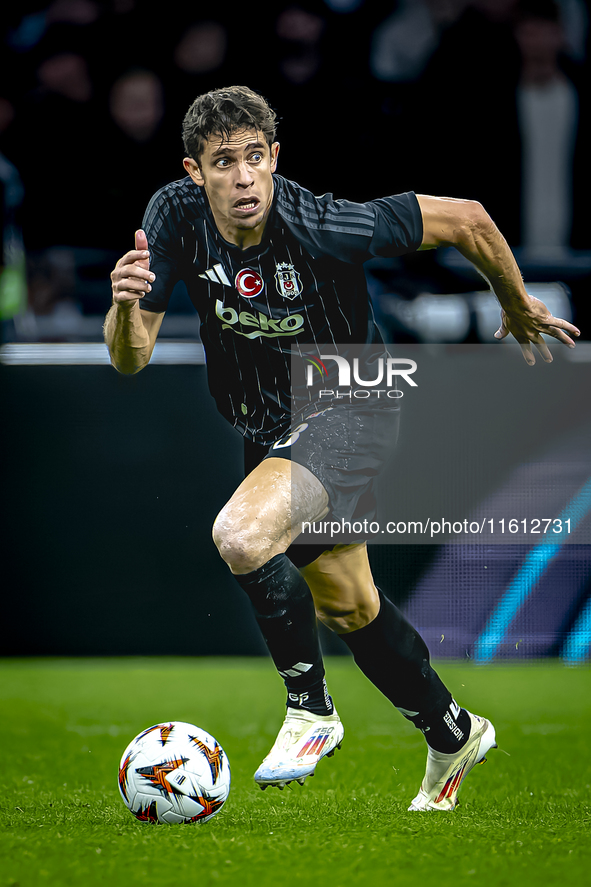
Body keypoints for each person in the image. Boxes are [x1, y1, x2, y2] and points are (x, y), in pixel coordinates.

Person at [104, 85, 579, 811]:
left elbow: (466, 219)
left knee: (240, 532)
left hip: (350, 397)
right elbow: (129, 359)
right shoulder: (171, 216)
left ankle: (310, 710)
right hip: (269, 424)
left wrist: (514, 305)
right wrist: (124, 303)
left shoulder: (319, 223)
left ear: (274, 159)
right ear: (194, 171)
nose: (242, 177)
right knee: (350, 605)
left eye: (254, 158)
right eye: (223, 162)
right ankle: (452, 730)